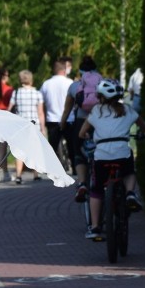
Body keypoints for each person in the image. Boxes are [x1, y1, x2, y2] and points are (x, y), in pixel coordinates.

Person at [79, 79, 145, 240]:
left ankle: (95, 227)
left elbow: (82, 132)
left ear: (100, 97)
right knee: (129, 171)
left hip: (101, 156)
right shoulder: (128, 110)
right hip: (122, 152)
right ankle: (129, 193)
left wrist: (87, 135)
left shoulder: (96, 111)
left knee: (96, 190)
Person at [61, 55, 103, 201]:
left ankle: (82, 183)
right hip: (100, 122)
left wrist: (62, 124)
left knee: (78, 152)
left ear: (80, 71)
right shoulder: (103, 83)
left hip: (81, 122)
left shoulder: (74, 86)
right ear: (96, 70)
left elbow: (67, 110)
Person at [9, 69, 45, 183]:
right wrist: (43, 128)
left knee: (19, 151)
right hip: (34, 125)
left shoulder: (16, 93)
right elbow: (40, 113)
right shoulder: (37, 93)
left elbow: (9, 109)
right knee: (34, 150)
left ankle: (18, 175)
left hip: (20, 125)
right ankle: (35, 174)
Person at [39, 57, 74, 170]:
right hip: (69, 118)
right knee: (71, 145)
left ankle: (55, 169)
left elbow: (41, 102)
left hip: (52, 118)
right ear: (64, 70)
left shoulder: (46, 84)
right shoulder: (70, 83)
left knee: (53, 146)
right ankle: (74, 166)